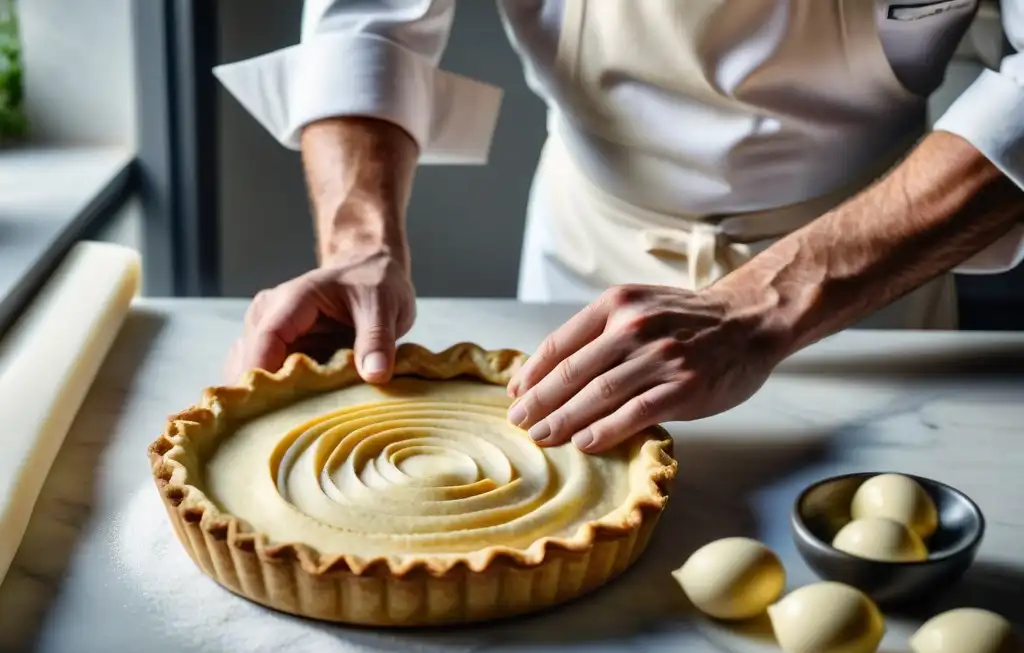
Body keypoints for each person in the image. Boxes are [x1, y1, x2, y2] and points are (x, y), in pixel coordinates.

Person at [216, 0, 1024, 453]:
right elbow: (367, 20)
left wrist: (760, 306)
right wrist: (360, 247)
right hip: (580, 272)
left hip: (870, 284)